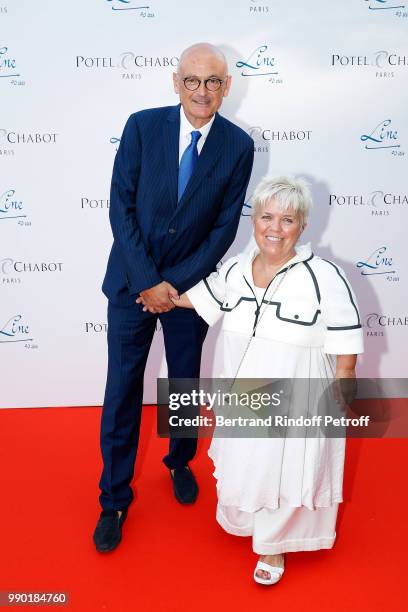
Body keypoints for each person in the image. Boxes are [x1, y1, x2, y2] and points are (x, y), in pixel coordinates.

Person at [93, 42, 254, 552]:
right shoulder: (141, 126)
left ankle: (179, 461)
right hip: (130, 284)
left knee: (183, 382)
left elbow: (223, 230)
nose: (202, 91)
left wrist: (175, 285)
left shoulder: (238, 146)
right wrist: (147, 280)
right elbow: (121, 207)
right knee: (122, 387)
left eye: (212, 82)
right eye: (192, 80)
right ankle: (113, 498)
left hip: (190, 290)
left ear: (227, 86)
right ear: (175, 81)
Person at [173, 176, 364, 584]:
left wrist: (344, 380)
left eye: (287, 219)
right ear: (254, 220)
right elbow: (202, 296)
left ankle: (273, 547)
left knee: (286, 467)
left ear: (303, 225)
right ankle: (247, 523)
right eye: (266, 217)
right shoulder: (237, 268)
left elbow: (345, 333)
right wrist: (159, 295)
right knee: (249, 462)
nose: (275, 228)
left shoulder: (323, 274)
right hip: (243, 395)